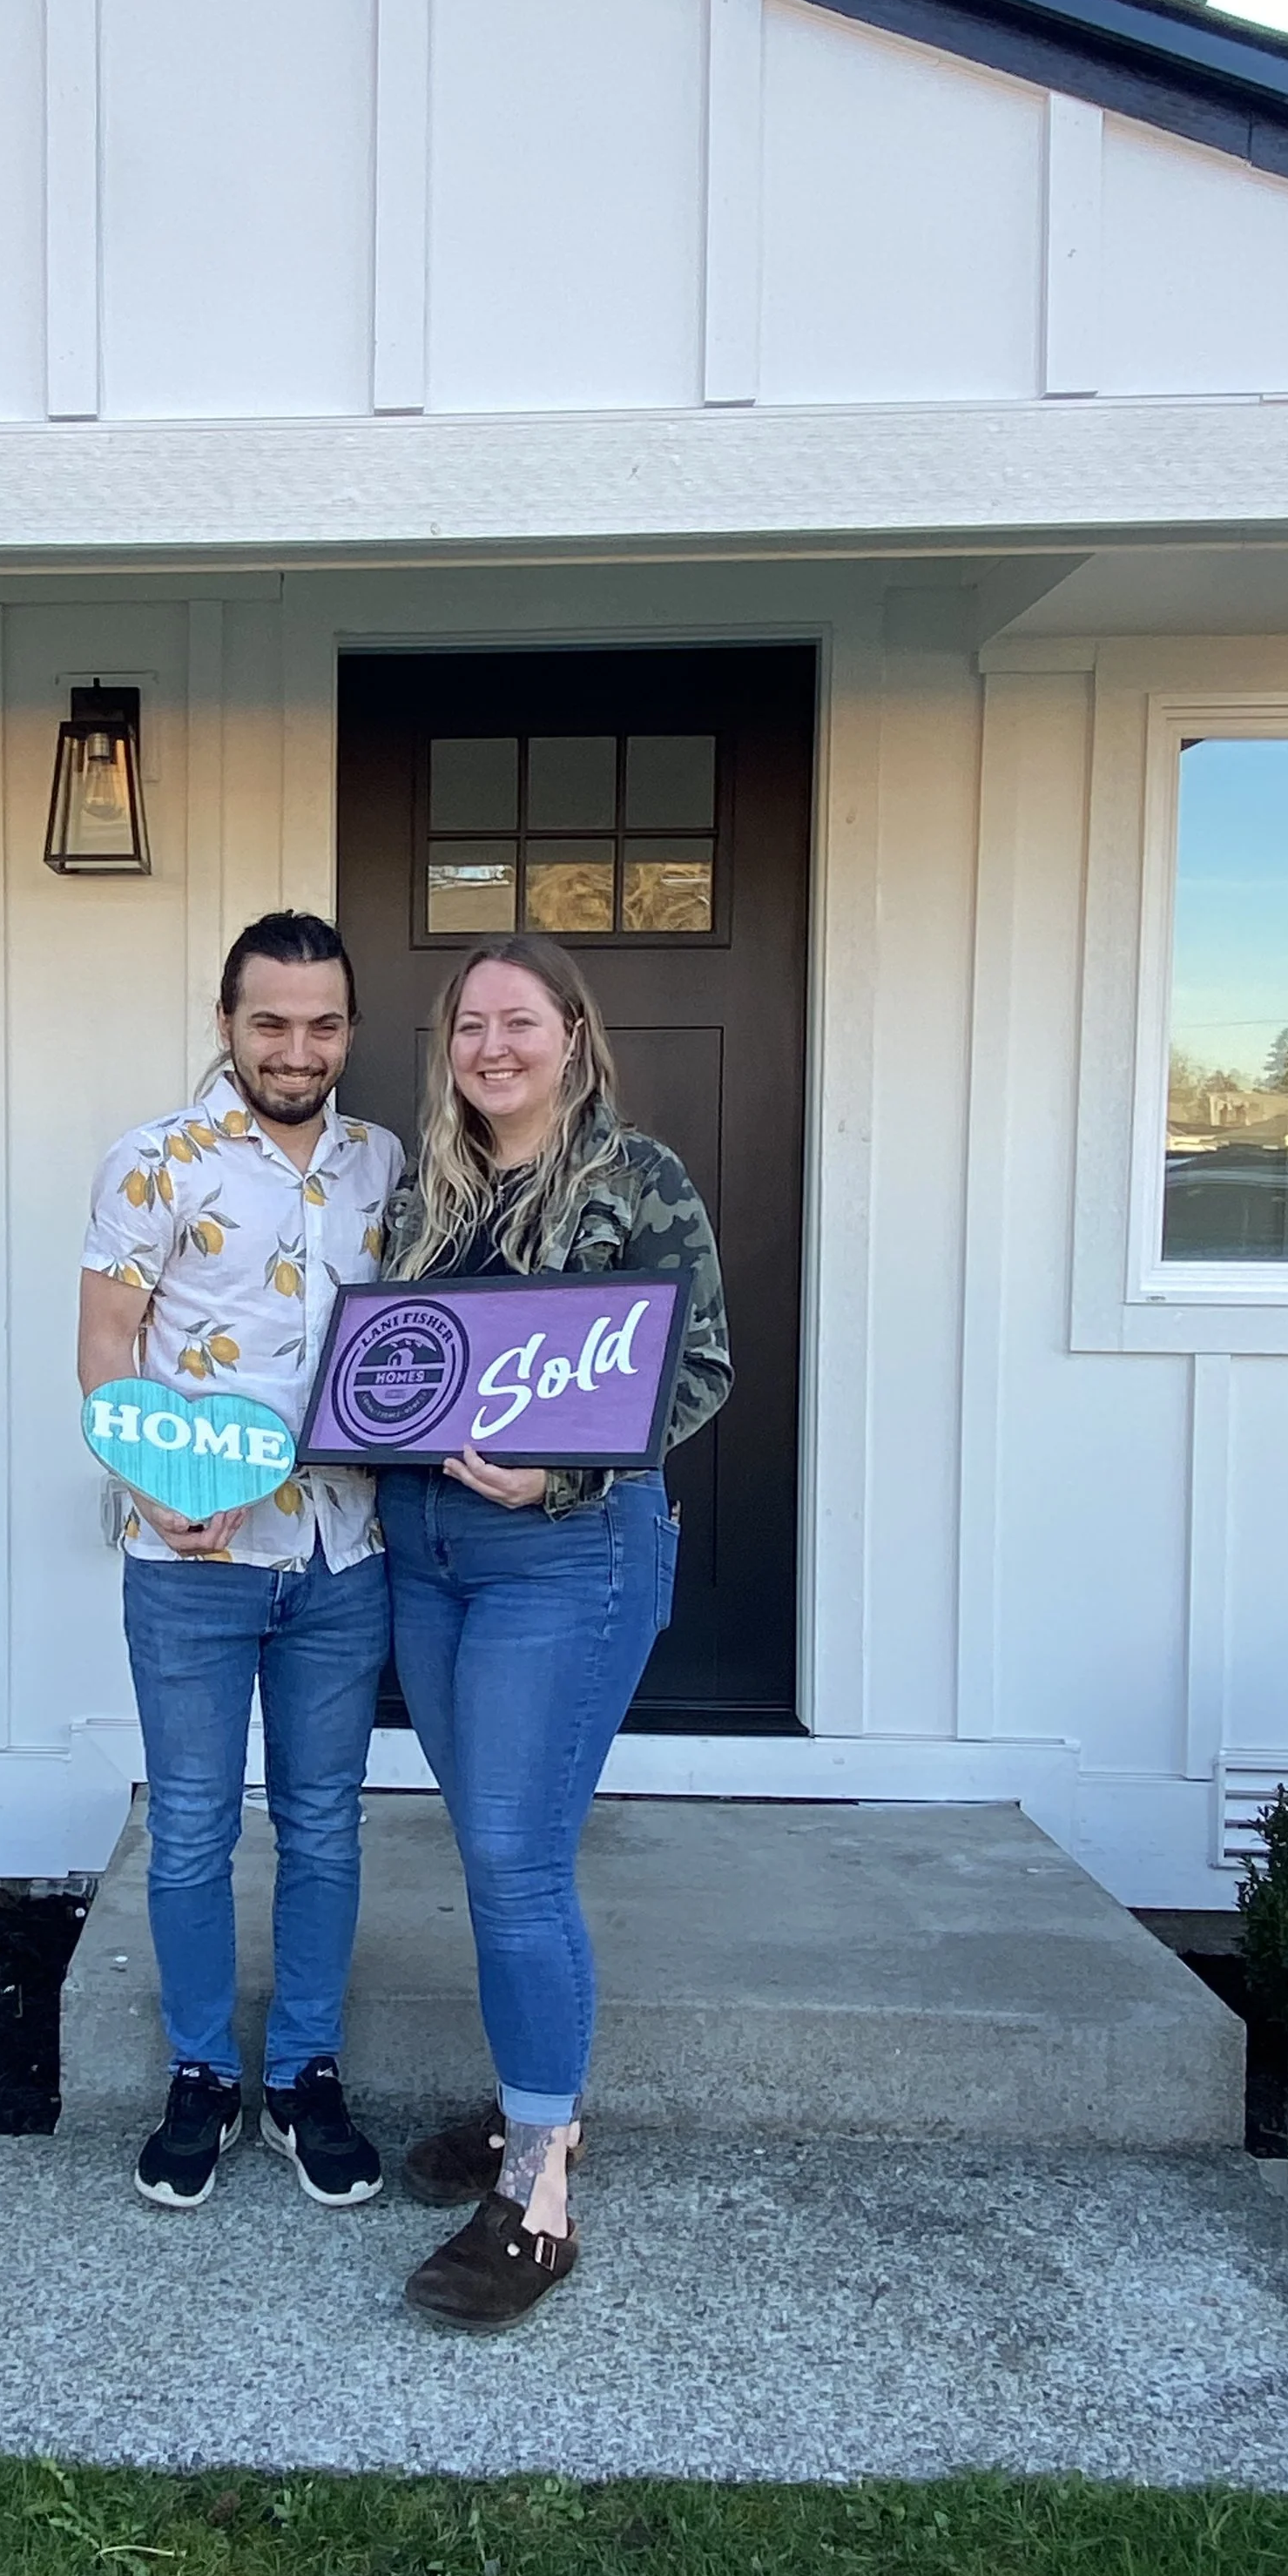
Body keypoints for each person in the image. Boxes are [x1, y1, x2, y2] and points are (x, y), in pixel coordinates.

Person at [376, 933, 732, 2330]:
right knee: (490, 1853)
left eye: (521, 1023)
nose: (494, 1049)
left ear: (573, 1038)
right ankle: (541, 2106)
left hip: (565, 1553)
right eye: (471, 1027)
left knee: (519, 1862)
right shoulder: (425, 1196)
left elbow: (698, 1366)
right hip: (429, 1555)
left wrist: (562, 1470)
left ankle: (537, 2198)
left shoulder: (637, 1182)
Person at [79, 913, 404, 2213]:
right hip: (191, 1558)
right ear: (227, 1024)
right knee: (195, 1829)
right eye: (271, 1022)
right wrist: (155, 1489)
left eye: (322, 1023)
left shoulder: (386, 1164)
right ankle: (204, 2076)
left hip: (343, 1549)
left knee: (325, 1824)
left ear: (348, 1031)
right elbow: (107, 1344)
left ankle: (306, 2077)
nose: (296, 1047)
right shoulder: (153, 1161)